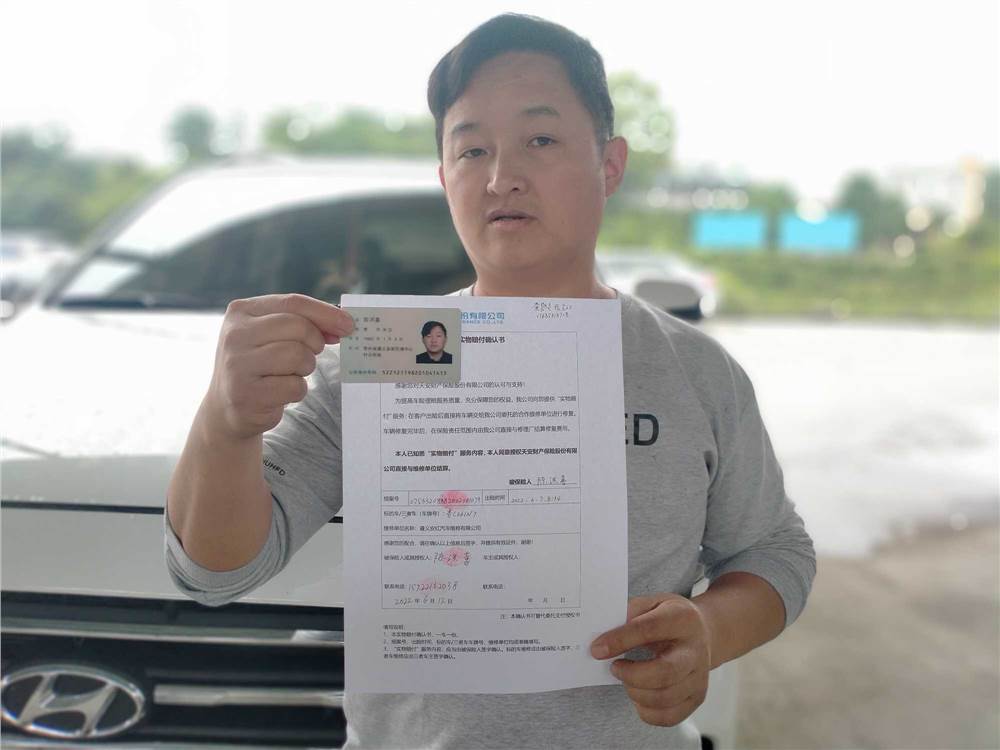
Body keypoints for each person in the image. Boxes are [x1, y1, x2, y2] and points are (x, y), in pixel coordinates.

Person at [165, 13, 815, 749]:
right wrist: (225, 425)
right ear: (446, 179)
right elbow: (213, 572)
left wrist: (709, 630)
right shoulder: (386, 358)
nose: (502, 177)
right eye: (472, 149)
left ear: (609, 165)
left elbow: (775, 550)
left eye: (541, 140)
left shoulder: (693, 371)